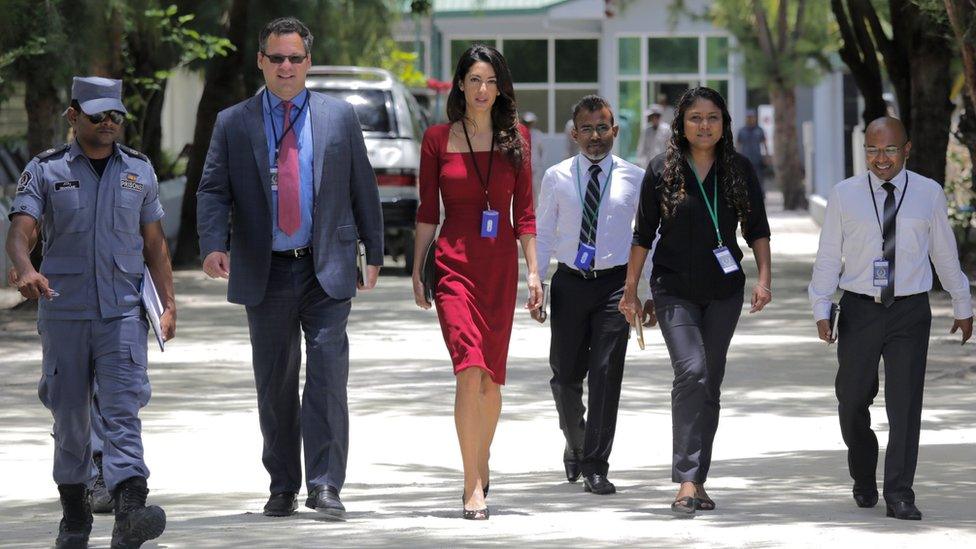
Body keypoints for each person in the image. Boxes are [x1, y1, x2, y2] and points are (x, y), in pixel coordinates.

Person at [196, 17, 383, 521]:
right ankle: (283, 484)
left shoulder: (339, 117)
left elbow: (362, 186)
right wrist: (213, 242)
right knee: (275, 384)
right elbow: (213, 188)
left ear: (308, 63)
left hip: (327, 268)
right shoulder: (233, 121)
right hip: (267, 271)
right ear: (260, 60)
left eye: (294, 58)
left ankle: (325, 485)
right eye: (275, 57)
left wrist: (376, 251)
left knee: (326, 378)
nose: (285, 66)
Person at [6, 76, 175, 548]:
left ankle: (130, 512)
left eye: (116, 115)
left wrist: (168, 303)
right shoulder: (44, 170)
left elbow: (155, 244)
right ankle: (75, 515)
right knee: (71, 418)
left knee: (124, 410)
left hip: (122, 313)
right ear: (73, 115)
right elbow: (22, 232)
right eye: (98, 114)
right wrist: (24, 269)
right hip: (64, 314)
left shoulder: (139, 170)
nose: (109, 123)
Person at [808, 116, 973, 521]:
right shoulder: (844, 194)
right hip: (860, 308)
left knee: (905, 405)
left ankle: (900, 491)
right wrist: (821, 306)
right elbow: (829, 255)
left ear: (907, 149)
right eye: (873, 149)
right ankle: (863, 473)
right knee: (851, 400)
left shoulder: (928, 193)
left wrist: (962, 304)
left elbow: (944, 254)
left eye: (890, 150)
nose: (881, 159)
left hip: (909, 311)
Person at [619, 86, 771, 518]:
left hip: (725, 292)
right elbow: (642, 234)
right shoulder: (661, 169)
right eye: (695, 118)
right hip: (673, 289)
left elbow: (756, 228)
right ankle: (686, 479)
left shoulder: (739, 169)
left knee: (711, 381)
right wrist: (631, 288)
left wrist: (765, 279)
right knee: (693, 371)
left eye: (713, 118)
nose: (704, 126)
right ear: (681, 125)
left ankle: (697, 478)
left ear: (724, 124)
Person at [411, 44, 541, 521]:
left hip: (501, 268)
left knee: (489, 381)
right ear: (460, 85)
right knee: (468, 368)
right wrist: (418, 269)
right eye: (474, 81)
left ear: (499, 88)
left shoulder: (517, 138)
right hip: (453, 266)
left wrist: (533, 273)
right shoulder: (436, 139)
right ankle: (472, 488)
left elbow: (524, 214)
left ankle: (481, 459)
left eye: (491, 82)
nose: (483, 90)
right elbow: (427, 213)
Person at [533, 95, 651, 494]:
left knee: (605, 374)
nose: (595, 136)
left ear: (615, 131)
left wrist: (643, 291)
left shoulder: (635, 178)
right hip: (569, 283)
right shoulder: (557, 177)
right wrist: (537, 281)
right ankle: (576, 441)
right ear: (574, 133)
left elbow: (646, 238)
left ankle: (596, 464)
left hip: (615, 287)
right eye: (587, 128)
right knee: (565, 376)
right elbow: (545, 233)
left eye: (603, 128)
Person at [735, 109, 768, 190]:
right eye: (748, 117)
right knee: (745, 179)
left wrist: (767, 156)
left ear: (755, 118)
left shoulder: (759, 130)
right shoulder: (741, 131)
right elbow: (738, 145)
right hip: (745, 159)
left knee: (759, 179)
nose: (750, 119)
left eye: (752, 117)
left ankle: (760, 196)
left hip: (757, 159)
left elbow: (764, 144)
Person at [636, 104, 671, 168]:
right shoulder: (646, 131)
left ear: (658, 117)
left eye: (655, 117)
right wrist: (640, 162)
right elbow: (641, 147)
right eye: (651, 117)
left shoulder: (667, 129)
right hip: (649, 163)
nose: (653, 119)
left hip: (663, 164)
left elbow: (670, 147)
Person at [521, 111, 545, 202]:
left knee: (536, 189)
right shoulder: (519, 133)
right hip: (523, 167)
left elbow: (542, 151)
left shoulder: (538, 134)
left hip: (536, 167)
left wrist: (541, 164)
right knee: (524, 190)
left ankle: (535, 210)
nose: (528, 125)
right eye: (526, 123)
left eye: (530, 123)